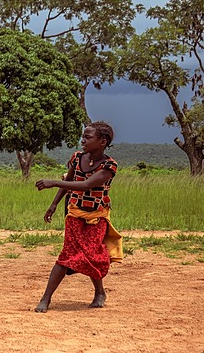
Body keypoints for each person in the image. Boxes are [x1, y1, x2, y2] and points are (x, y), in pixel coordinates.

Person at [34, 121, 122, 313]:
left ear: (102, 141)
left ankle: (99, 292)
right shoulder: (77, 158)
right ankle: (45, 298)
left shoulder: (109, 165)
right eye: (83, 136)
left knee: (91, 254)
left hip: (96, 217)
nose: (83, 140)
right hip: (74, 214)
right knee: (66, 255)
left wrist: (53, 183)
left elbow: (87, 185)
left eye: (88, 137)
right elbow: (69, 182)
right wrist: (54, 204)